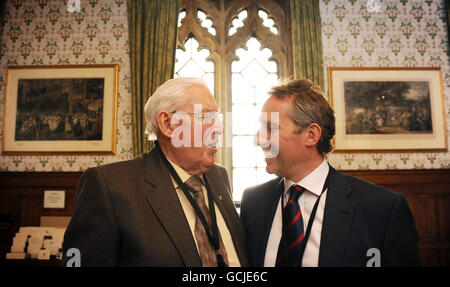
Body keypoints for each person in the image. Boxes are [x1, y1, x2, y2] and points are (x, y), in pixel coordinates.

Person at [63, 78, 249, 267]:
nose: (220, 128)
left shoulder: (219, 177)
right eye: (205, 117)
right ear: (168, 124)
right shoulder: (109, 185)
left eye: (218, 118)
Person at [240, 79, 421, 267]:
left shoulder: (383, 209)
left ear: (311, 135)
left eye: (271, 128)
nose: (258, 139)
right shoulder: (253, 202)